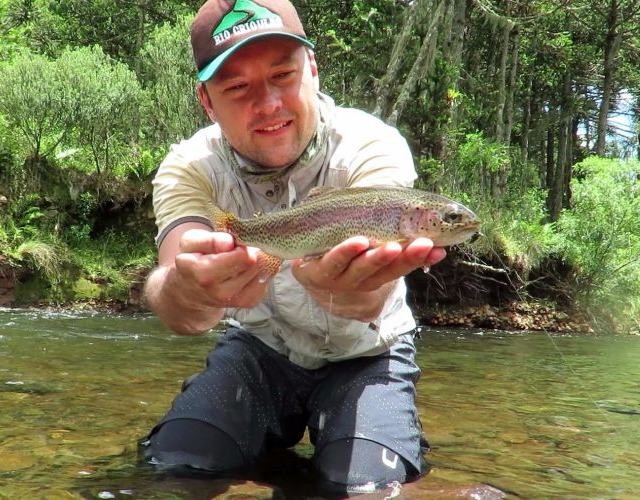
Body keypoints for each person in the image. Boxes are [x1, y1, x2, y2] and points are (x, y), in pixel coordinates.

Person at [142, 0, 447, 494]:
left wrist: (351, 290)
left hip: (368, 352)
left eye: (282, 74)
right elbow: (182, 311)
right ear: (206, 100)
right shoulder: (188, 167)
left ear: (313, 70)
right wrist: (187, 288)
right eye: (237, 86)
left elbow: (366, 300)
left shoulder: (373, 146)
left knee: (365, 488)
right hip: (259, 349)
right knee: (175, 468)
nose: (267, 104)